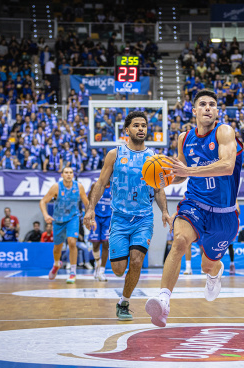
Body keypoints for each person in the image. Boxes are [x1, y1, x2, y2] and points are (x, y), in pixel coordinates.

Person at [144, 89, 243, 328]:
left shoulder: (224, 132)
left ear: (217, 111)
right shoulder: (184, 138)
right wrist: (166, 177)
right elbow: (181, 173)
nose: (208, 107)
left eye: (212, 104)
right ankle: (163, 302)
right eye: (203, 104)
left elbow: (227, 166)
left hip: (224, 214)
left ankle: (213, 273)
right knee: (178, 241)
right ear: (194, 110)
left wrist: (188, 172)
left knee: (207, 265)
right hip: (194, 204)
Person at [84, 111, 171, 321]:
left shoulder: (154, 158)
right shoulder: (114, 155)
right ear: (126, 130)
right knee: (118, 269)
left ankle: (124, 302)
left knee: (137, 260)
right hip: (120, 219)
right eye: (136, 125)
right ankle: (117, 269)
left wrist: (165, 212)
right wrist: (90, 209)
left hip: (144, 219)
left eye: (143, 125)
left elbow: (158, 189)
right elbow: (100, 183)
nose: (141, 129)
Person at [39, 167, 89, 284]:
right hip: (58, 220)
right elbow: (43, 201)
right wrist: (46, 215)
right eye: (66, 172)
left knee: (72, 242)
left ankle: (72, 272)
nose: (69, 174)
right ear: (62, 175)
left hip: (73, 217)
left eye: (71, 173)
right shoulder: (56, 187)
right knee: (57, 248)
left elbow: (87, 203)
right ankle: (56, 264)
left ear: (73, 175)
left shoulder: (79, 186)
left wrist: (90, 217)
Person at [87, 181, 111, 282]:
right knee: (95, 244)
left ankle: (102, 270)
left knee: (106, 243)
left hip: (108, 217)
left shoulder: (115, 185)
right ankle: (97, 264)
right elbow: (88, 200)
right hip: (96, 217)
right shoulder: (95, 184)